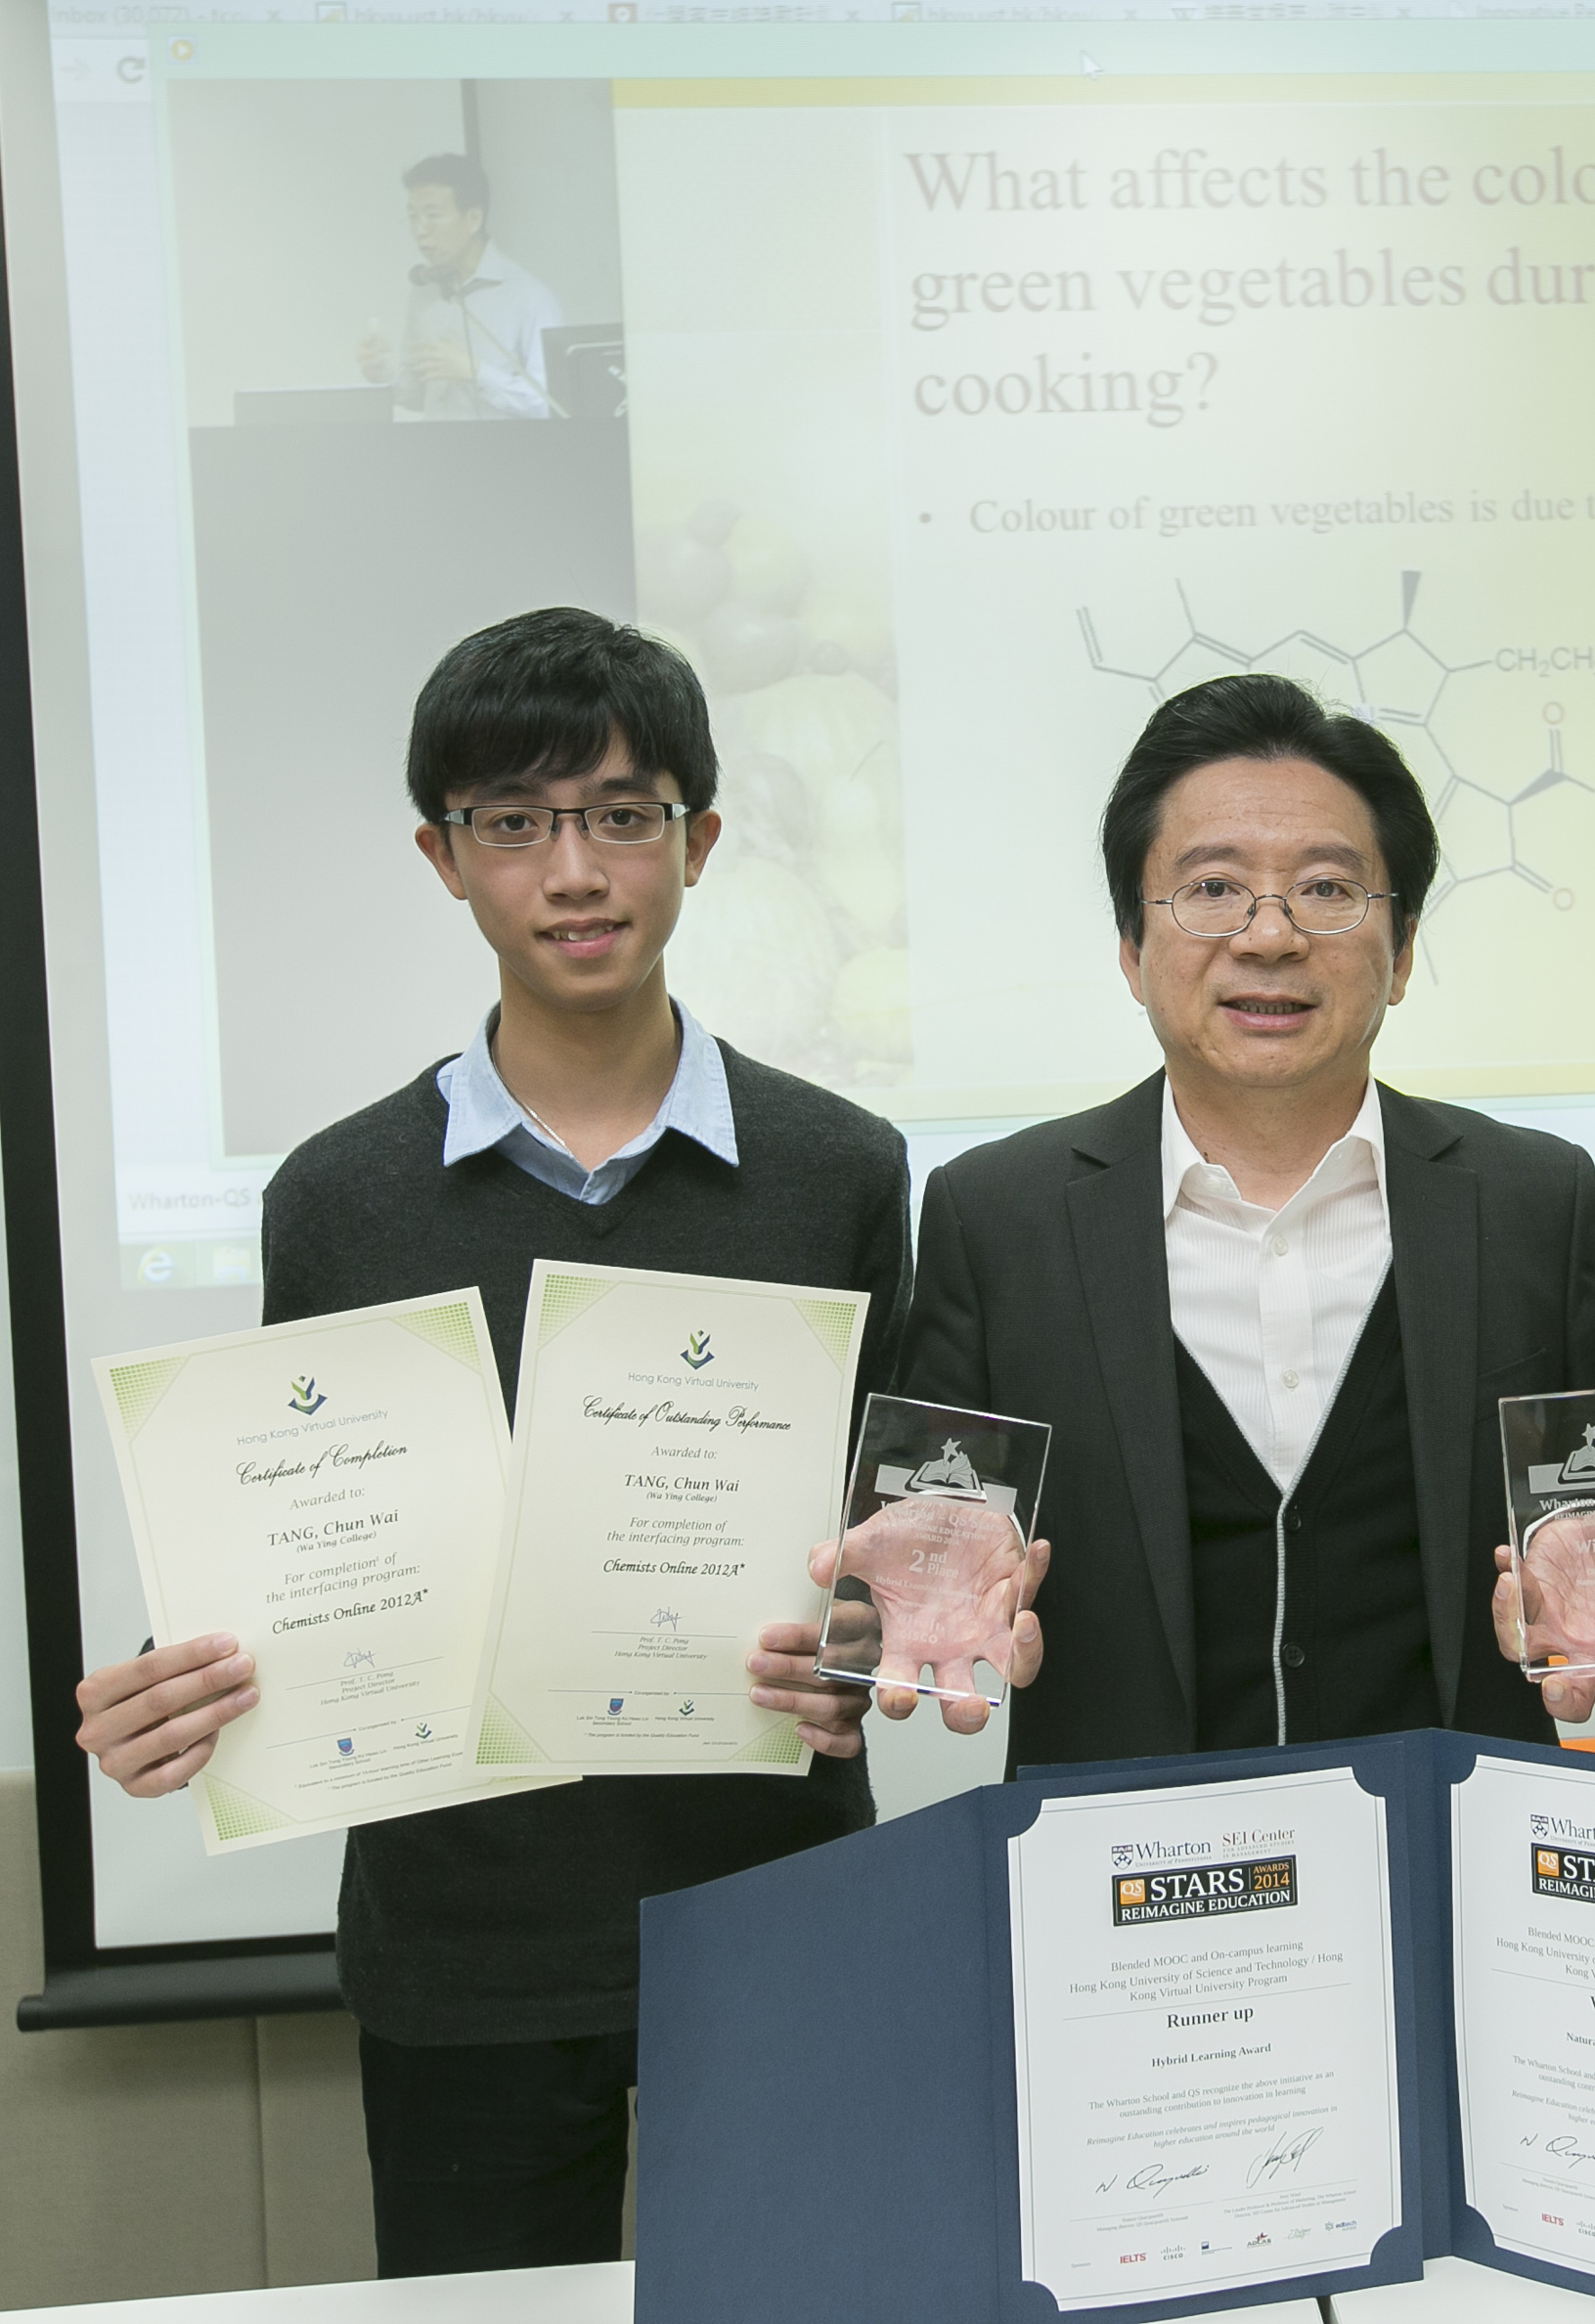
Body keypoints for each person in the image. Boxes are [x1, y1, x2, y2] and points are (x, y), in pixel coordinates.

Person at [65, 609, 937, 2273]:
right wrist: (186, 1693)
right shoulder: (338, 1198)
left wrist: (865, 1643)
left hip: (775, 1907)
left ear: (698, 840)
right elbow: (305, 1534)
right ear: (443, 857)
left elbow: (886, 1542)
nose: (575, 870)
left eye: (621, 815)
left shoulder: (838, 1168)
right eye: (515, 821)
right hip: (463, 1938)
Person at [897, 672, 1595, 1769]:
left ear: (1404, 950)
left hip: (1449, 1839)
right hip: (1127, 1854)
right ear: (1132, 949)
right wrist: (900, 1597)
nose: (1271, 936)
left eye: (1328, 889)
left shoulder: (1536, 1200)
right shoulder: (995, 1217)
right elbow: (932, 1532)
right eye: (1214, 889)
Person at [355, 153, 560, 421]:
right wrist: (383, 372)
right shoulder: (425, 293)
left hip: (504, 447)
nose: (420, 230)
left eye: (432, 216)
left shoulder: (528, 298)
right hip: (437, 446)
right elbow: (419, 396)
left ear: (473, 219)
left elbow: (549, 405)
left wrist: (475, 371)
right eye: (413, 217)